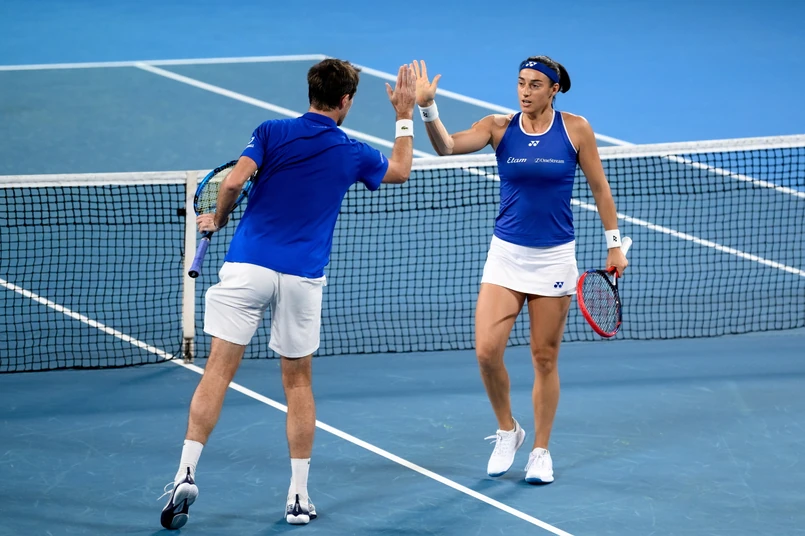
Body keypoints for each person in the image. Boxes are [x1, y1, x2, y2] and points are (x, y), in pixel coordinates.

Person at [160, 59, 417, 529]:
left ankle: (185, 473)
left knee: (217, 372)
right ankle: (298, 496)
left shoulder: (271, 131)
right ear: (346, 101)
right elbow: (400, 170)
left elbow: (233, 181)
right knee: (298, 384)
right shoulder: (353, 151)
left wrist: (219, 218)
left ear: (311, 92)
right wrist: (404, 114)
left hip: (248, 267)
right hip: (302, 277)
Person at [412, 57, 628, 484]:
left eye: (535, 85)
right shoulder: (497, 127)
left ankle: (541, 451)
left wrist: (614, 244)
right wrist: (427, 108)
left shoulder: (576, 129)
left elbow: (600, 189)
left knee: (544, 358)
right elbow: (446, 147)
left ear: (554, 90)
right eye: (520, 83)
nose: (525, 92)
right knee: (486, 352)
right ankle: (508, 429)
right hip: (506, 257)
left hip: (554, 259)